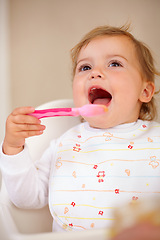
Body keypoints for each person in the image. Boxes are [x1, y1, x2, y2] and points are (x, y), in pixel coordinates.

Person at [0, 25, 160, 238]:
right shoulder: (65, 144)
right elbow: (26, 199)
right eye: (85, 68)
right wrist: (13, 147)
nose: (95, 73)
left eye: (114, 63)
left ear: (145, 91)